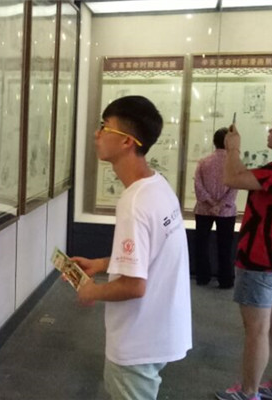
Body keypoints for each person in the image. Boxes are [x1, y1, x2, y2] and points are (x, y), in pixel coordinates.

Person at [70, 96, 192, 400]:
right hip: (159, 331)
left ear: (127, 141)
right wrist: (103, 264)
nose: (97, 134)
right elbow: (150, 254)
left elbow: (134, 286)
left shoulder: (134, 202)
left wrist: (91, 291)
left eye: (104, 126)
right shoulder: (157, 185)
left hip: (138, 341)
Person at [216, 110, 272, 400]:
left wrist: (233, 148)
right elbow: (241, 178)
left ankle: (249, 393)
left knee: (257, 329)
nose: (270, 131)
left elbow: (231, 177)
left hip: (260, 260)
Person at [193, 127, 238, 288]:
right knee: (225, 246)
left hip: (204, 209)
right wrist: (220, 205)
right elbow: (234, 187)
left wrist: (211, 202)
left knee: (201, 244)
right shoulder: (234, 164)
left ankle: (202, 277)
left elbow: (198, 185)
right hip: (226, 211)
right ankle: (225, 280)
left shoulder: (203, 162)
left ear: (214, 142)